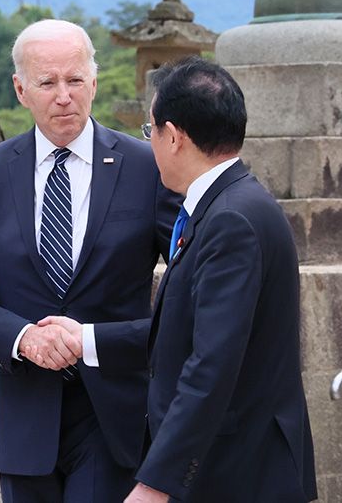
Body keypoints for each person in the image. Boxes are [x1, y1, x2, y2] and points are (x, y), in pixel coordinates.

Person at [0, 19, 178, 502]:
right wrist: (24, 338)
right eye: (47, 83)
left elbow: (190, 279)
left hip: (116, 415)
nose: (64, 96)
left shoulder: (147, 167)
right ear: (21, 90)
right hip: (26, 417)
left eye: (75, 80)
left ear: (94, 83)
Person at [126, 56, 317, 501]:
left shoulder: (230, 219)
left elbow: (211, 363)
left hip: (237, 474)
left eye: (150, 131)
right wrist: (87, 339)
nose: (150, 143)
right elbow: (183, 334)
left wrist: (155, 483)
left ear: (173, 136)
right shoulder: (231, 203)